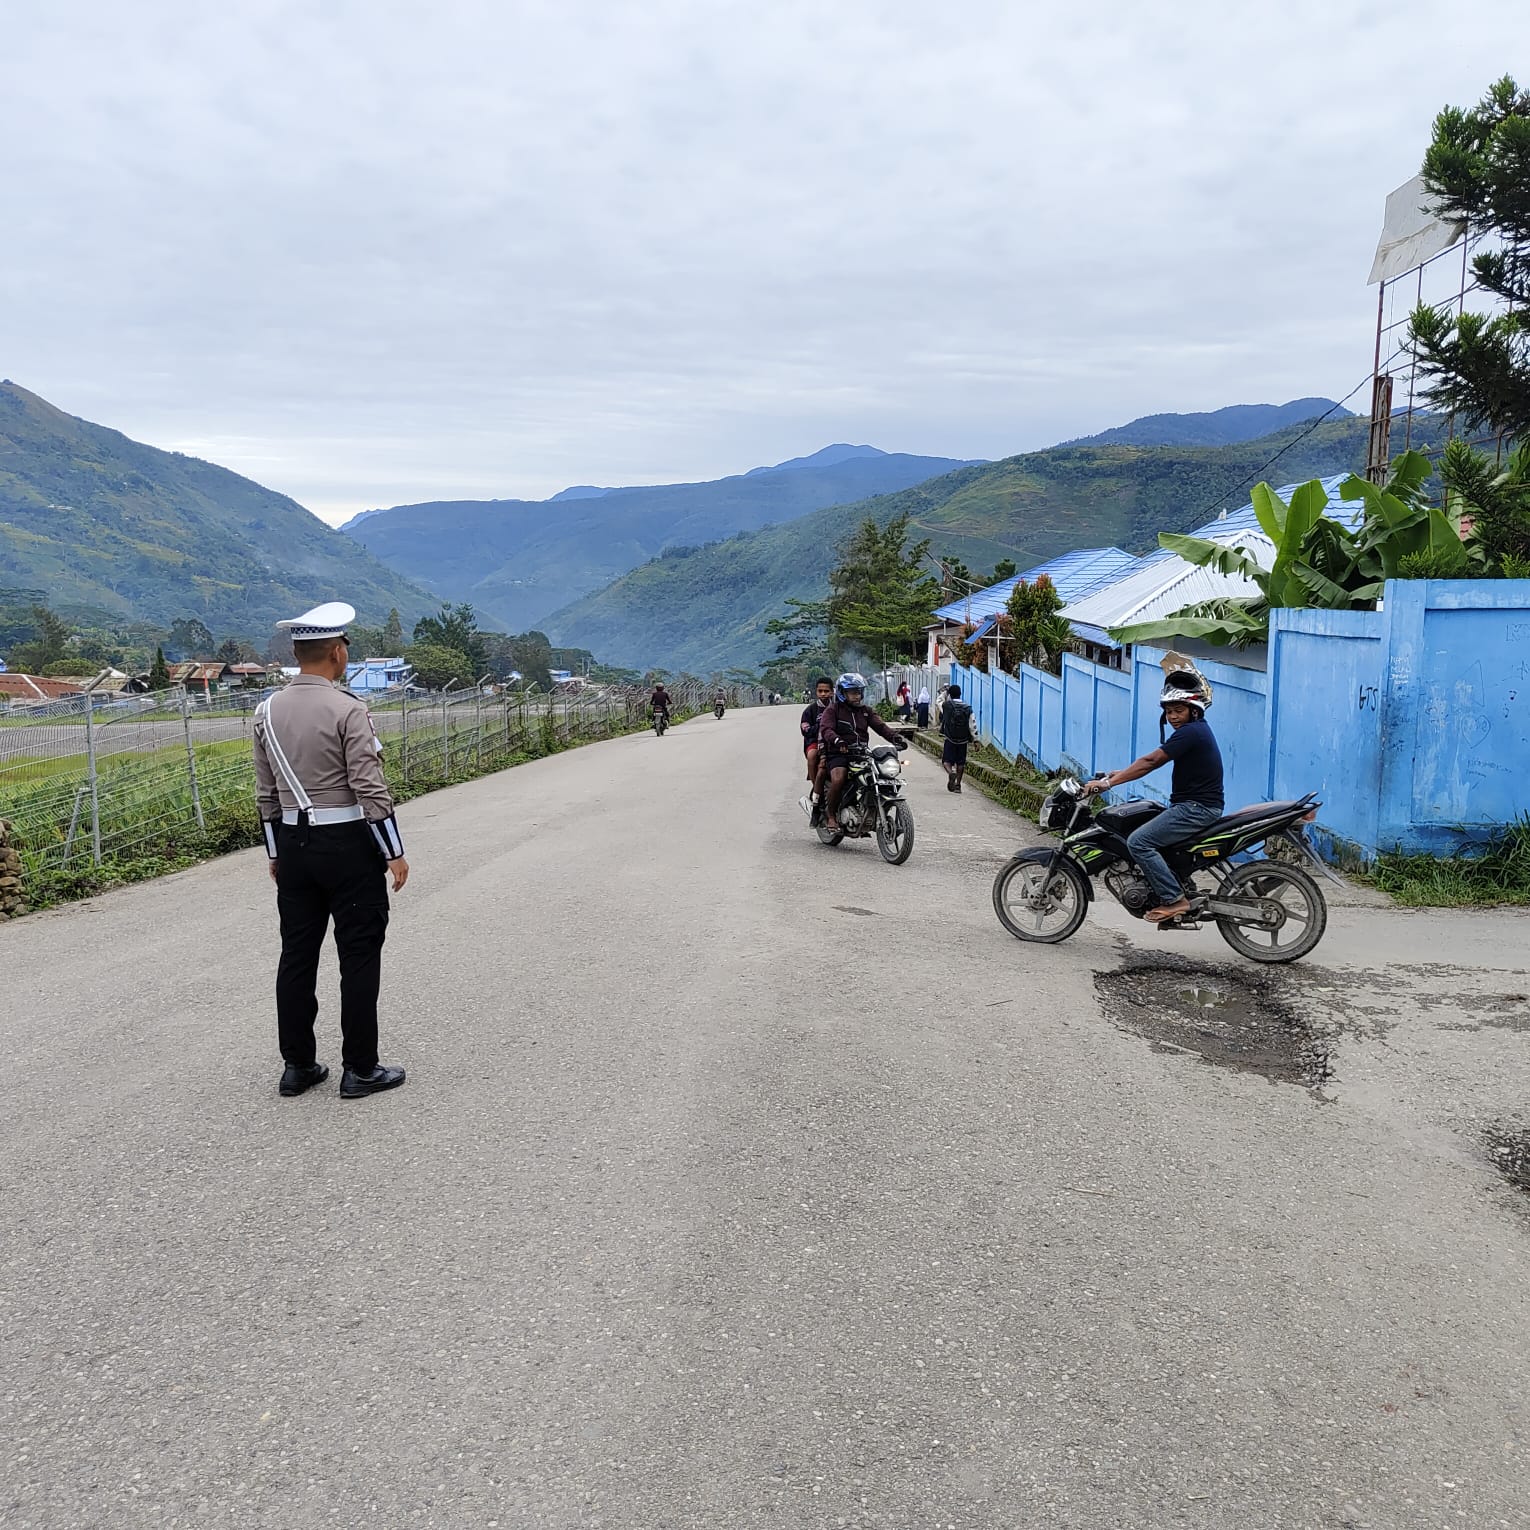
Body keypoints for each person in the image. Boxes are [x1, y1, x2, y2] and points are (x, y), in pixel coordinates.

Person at [254, 602, 409, 1100]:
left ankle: (297, 1066)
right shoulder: (348, 710)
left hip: (294, 846)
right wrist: (394, 851)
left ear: (298, 652)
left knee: (296, 954)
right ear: (338, 654)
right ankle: (360, 1068)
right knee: (358, 955)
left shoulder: (266, 712)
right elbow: (370, 786)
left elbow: (266, 793)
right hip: (347, 845)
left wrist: (276, 853)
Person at [1083, 668, 1223, 924]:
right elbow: (1149, 761)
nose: (1173, 717)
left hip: (1196, 808)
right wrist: (1117, 774)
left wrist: (1108, 785)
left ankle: (1174, 899)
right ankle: (1177, 885)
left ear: (1194, 711)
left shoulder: (1191, 733)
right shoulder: (1195, 732)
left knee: (1138, 842)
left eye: (1178, 711)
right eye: (1169, 712)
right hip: (1193, 805)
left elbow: (1151, 761)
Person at [818, 672, 906, 833]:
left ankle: (869, 808)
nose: (857, 695)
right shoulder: (833, 710)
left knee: (878, 776)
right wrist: (838, 741)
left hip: (861, 753)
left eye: (859, 692)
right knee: (838, 778)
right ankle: (830, 815)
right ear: (842, 693)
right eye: (853, 692)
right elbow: (826, 729)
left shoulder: (866, 711)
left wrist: (896, 738)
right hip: (838, 753)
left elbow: (880, 727)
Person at [798, 675, 834, 802]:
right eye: (820, 691)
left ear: (832, 692)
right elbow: (805, 730)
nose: (823, 694)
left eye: (826, 691)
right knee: (813, 755)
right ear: (816, 691)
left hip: (833, 741)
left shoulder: (838, 708)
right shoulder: (810, 710)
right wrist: (821, 726)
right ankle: (816, 788)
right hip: (814, 742)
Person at [938, 682, 975, 793]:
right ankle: (958, 785)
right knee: (961, 763)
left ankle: (950, 773)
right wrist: (976, 740)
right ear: (960, 694)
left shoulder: (947, 706)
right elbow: (972, 724)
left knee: (946, 761)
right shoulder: (967, 708)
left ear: (950, 694)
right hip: (963, 740)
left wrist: (945, 692)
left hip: (950, 738)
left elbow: (938, 701)